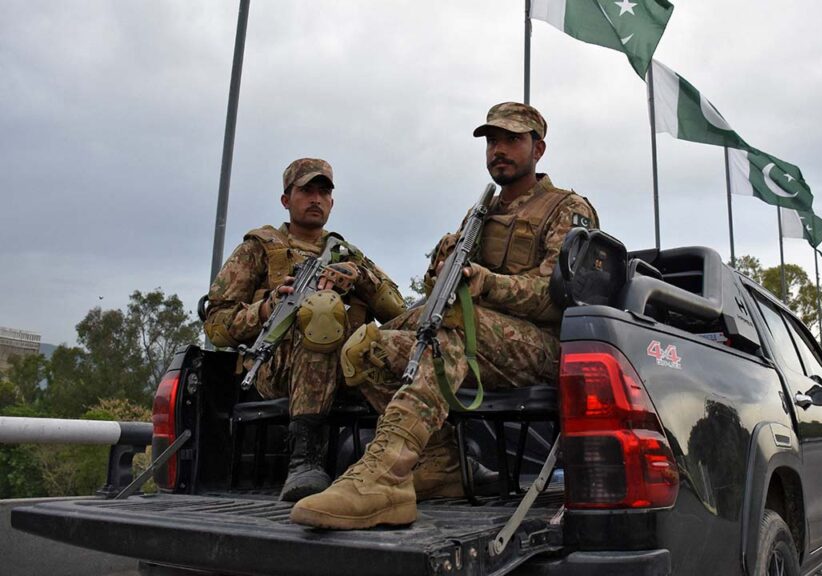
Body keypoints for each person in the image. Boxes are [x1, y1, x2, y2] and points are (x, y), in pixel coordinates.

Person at [290, 102, 600, 530]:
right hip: (473, 339)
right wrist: (442, 268)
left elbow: (558, 295)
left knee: (450, 324)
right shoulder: (480, 214)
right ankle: (440, 465)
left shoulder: (566, 208)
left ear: (538, 149)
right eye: (492, 141)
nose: (499, 149)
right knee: (365, 348)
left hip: (542, 347)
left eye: (512, 139)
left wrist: (487, 283)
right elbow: (441, 289)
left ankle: (386, 475)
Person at [203, 158, 407, 502]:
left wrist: (358, 277)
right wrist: (267, 308)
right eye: (306, 191)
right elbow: (217, 326)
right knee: (322, 313)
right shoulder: (258, 249)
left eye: (323, 192)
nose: (315, 199)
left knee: (420, 329)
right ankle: (304, 460)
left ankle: (427, 453)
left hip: (349, 366)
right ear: (286, 200)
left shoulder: (347, 253)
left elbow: (397, 310)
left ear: (332, 202)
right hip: (276, 368)